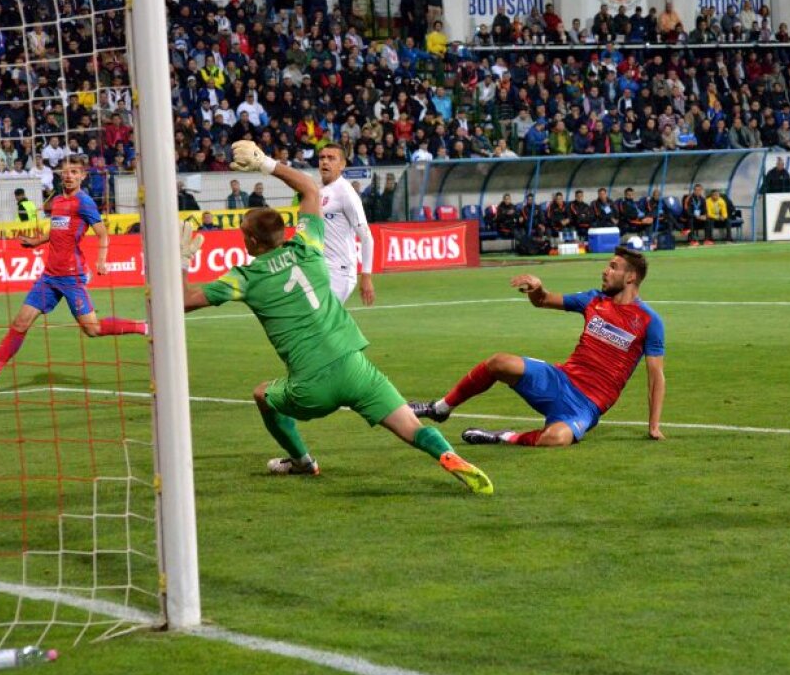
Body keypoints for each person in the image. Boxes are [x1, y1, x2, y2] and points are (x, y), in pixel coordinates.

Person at [178, 140, 492, 492]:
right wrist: (265, 163)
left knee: (263, 395)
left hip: (311, 386)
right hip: (354, 366)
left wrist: (182, 262)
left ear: (250, 242)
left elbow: (181, 302)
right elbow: (310, 190)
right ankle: (447, 455)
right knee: (410, 426)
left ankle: (302, 461)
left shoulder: (244, 277)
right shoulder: (308, 246)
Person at [410, 248, 665, 447]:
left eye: (613, 267)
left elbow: (656, 377)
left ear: (631, 277)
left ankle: (503, 437)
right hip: (560, 379)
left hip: (586, 406)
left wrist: (653, 426)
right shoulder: (593, 300)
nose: (605, 271)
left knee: (557, 438)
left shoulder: (649, 321)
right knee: (499, 362)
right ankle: (440, 409)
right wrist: (537, 289)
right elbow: (543, 300)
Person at [0, 157, 147, 390]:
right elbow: (56, 231)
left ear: (82, 176)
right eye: (65, 171)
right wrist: (36, 242)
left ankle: (143, 327)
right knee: (21, 322)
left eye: (74, 172)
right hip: (49, 277)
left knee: (92, 329)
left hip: (71, 277)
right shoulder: (57, 201)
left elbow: (103, 233)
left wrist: (101, 260)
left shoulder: (84, 202)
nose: (68, 175)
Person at [318, 144, 376, 305]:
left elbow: (366, 237)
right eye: (322, 158)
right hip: (319, 267)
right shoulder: (318, 189)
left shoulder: (346, 193)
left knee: (323, 318)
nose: (325, 162)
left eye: (331, 158)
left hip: (339, 271)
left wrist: (366, 276)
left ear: (342, 165)